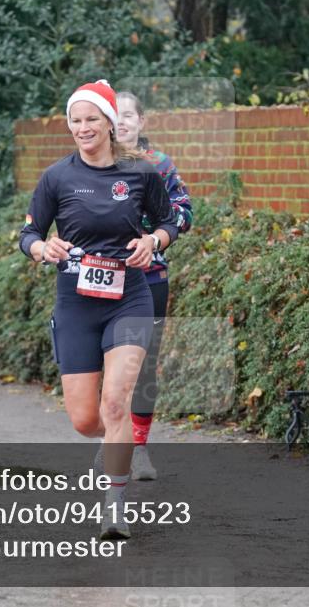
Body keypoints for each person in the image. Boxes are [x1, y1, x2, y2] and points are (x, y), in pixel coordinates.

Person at [18, 80, 178, 540]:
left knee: (116, 403)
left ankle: (115, 507)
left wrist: (153, 241)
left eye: (92, 119)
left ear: (110, 123)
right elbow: (28, 233)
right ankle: (112, 448)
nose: (83, 128)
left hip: (129, 296)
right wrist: (41, 249)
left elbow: (169, 220)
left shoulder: (141, 173)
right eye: (76, 120)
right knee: (86, 419)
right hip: (75, 302)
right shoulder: (57, 177)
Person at [114, 91, 192, 481]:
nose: (122, 121)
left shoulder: (158, 164)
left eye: (129, 115)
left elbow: (184, 212)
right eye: (115, 115)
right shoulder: (92, 162)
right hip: (102, 279)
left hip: (149, 278)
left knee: (143, 366)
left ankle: (139, 450)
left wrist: (154, 237)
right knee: (105, 364)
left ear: (141, 122)